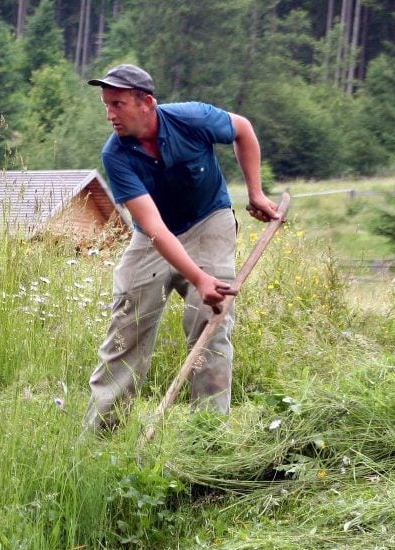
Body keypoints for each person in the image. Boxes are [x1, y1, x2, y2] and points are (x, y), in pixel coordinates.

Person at [82, 64, 280, 433]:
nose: (110, 114)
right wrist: (197, 277)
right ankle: (103, 438)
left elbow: (244, 130)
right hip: (152, 238)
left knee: (210, 319)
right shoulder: (116, 155)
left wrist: (256, 192)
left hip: (209, 222)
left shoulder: (193, 118)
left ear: (147, 103)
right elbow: (155, 228)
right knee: (127, 330)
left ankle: (208, 435)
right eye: (106, 105)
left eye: (118, 104)